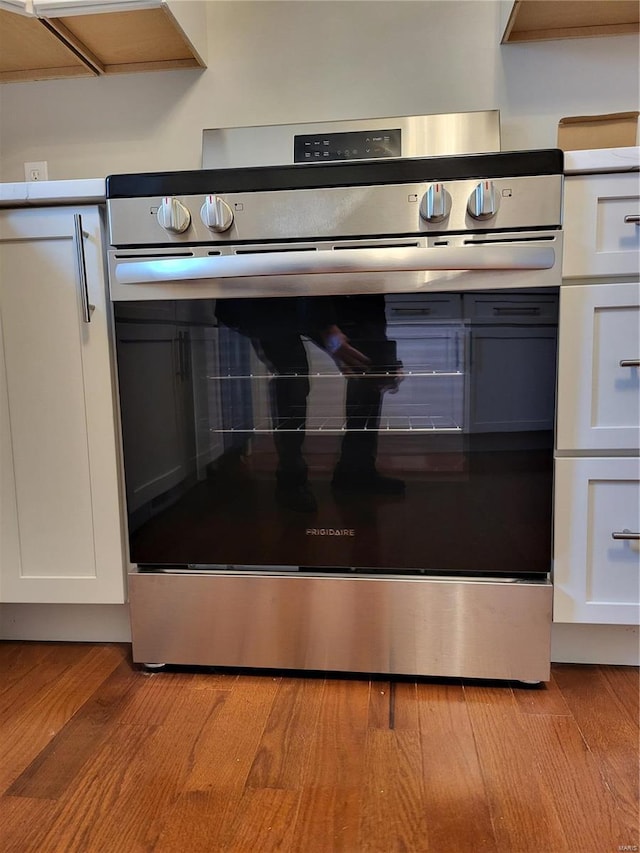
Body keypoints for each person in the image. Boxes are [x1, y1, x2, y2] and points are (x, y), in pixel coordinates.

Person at [215, 294, 405, 512]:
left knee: (365, 363)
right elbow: (299, 268)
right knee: (292, 372)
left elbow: (368, 300)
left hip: (321, 293)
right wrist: (327, 328)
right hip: (267, 296)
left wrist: (380, 356)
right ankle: (291, 479)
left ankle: (356, 471)